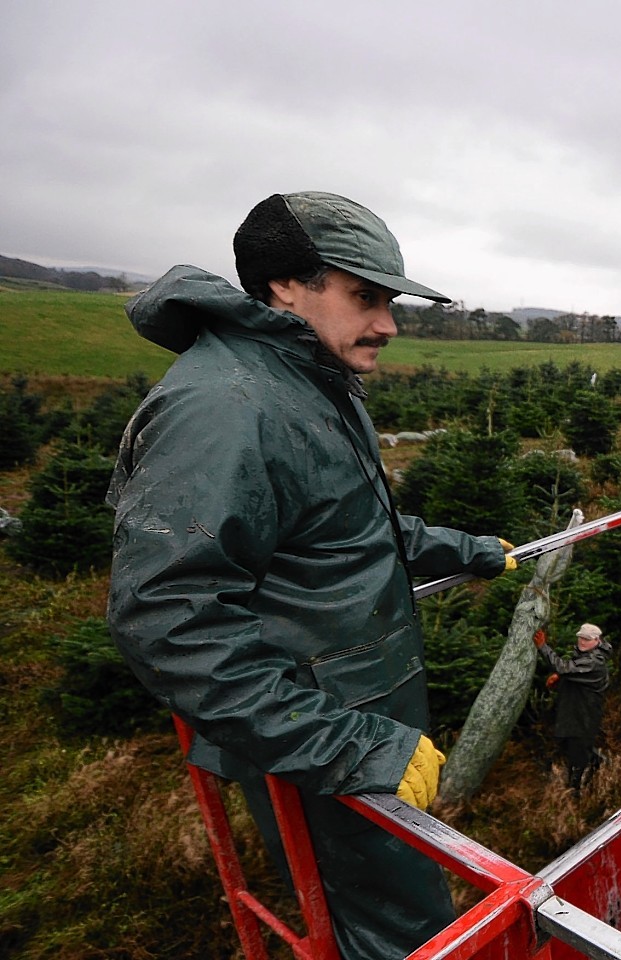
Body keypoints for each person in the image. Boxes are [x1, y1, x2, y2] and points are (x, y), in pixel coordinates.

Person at [106, 191, 517, 960]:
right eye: (365, 297)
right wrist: (347, 747)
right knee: (400, 934)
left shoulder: (307, 380)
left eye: (389, 300)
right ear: (284, 286)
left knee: (405, 905)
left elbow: (342, 526)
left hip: (358, 718)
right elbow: (167, 621)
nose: (389, 324)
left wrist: (466, 549)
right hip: (317, 738)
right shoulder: (223, 409)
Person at [537, 623, 613, 793]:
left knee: (576, 758)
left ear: (597, 640)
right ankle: (599, 765)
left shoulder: (594, 662)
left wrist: (543, 647)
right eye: (580, 637)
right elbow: (574, 677)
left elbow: (564, 668)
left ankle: (574, 793)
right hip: (575, 715)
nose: (582, 641)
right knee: (574, 748)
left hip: (584, 718)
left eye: (586, 639)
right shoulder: (585, 656)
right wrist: (559, 681)